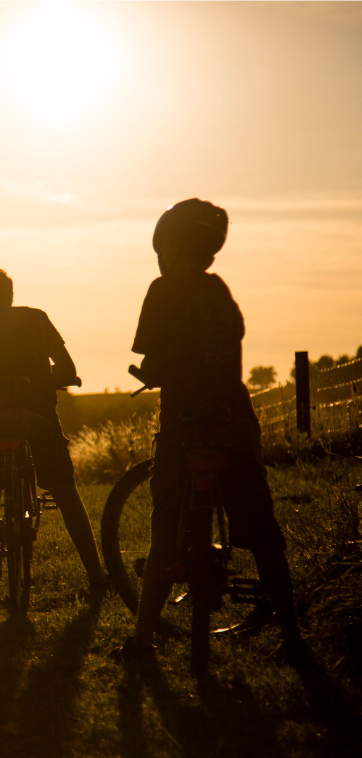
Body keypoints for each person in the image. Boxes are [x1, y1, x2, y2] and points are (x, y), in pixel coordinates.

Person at [119, 198, 306, 665]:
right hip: (233, 420)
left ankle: (142, 642)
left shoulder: (162, 290)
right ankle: (292, 637)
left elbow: (152, 360)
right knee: (263, 532)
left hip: (183, 423)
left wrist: (152, 372)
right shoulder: (220, 290)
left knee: (164, 533)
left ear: (171, 246)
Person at [0, 268, 108, 607]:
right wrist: (38, 377)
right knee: (64, 490)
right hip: (39, 416)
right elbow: (68, 370)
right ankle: (97, 577)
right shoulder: (38, 317)